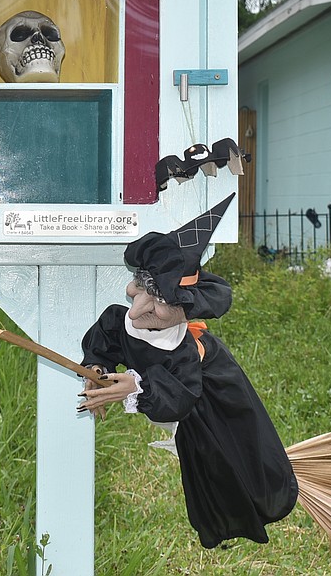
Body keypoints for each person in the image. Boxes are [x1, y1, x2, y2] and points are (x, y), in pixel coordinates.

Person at [77, 193, 299, 549]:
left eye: (161, 302)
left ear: (185, 308)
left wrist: (133, 386)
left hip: (216, 387)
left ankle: (260, 492)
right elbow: (107, 337)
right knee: (202, 453)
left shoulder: (183, 352)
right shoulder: (123, 317)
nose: (138, 311)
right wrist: (95, 368)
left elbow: (180, 393)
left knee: (230, 444)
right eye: (141, 290)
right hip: (188, 388)